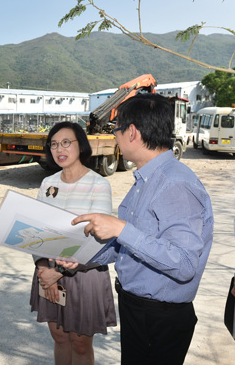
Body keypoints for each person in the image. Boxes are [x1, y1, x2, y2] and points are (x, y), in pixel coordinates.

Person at [66, 93, 214, 365]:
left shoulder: (174, 184)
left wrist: (121, 228)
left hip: (160, 318)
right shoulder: (146, 180)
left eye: (116, 130)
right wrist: (82, 258)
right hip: (139, 309)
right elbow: (128, 247)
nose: (115, 137)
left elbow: (183, 263)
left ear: (131, 132)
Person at [29, 122, 116, 365]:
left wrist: (59, 271)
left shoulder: (99, 185)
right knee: (58, 337)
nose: (60, 149)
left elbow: (98, 240)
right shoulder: (48, 184)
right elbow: (36, 232)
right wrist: (44, 268)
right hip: (47, 270)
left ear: (81, 146)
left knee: (80, 342)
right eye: (54, 144)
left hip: (84, 273)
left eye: (67, 142)